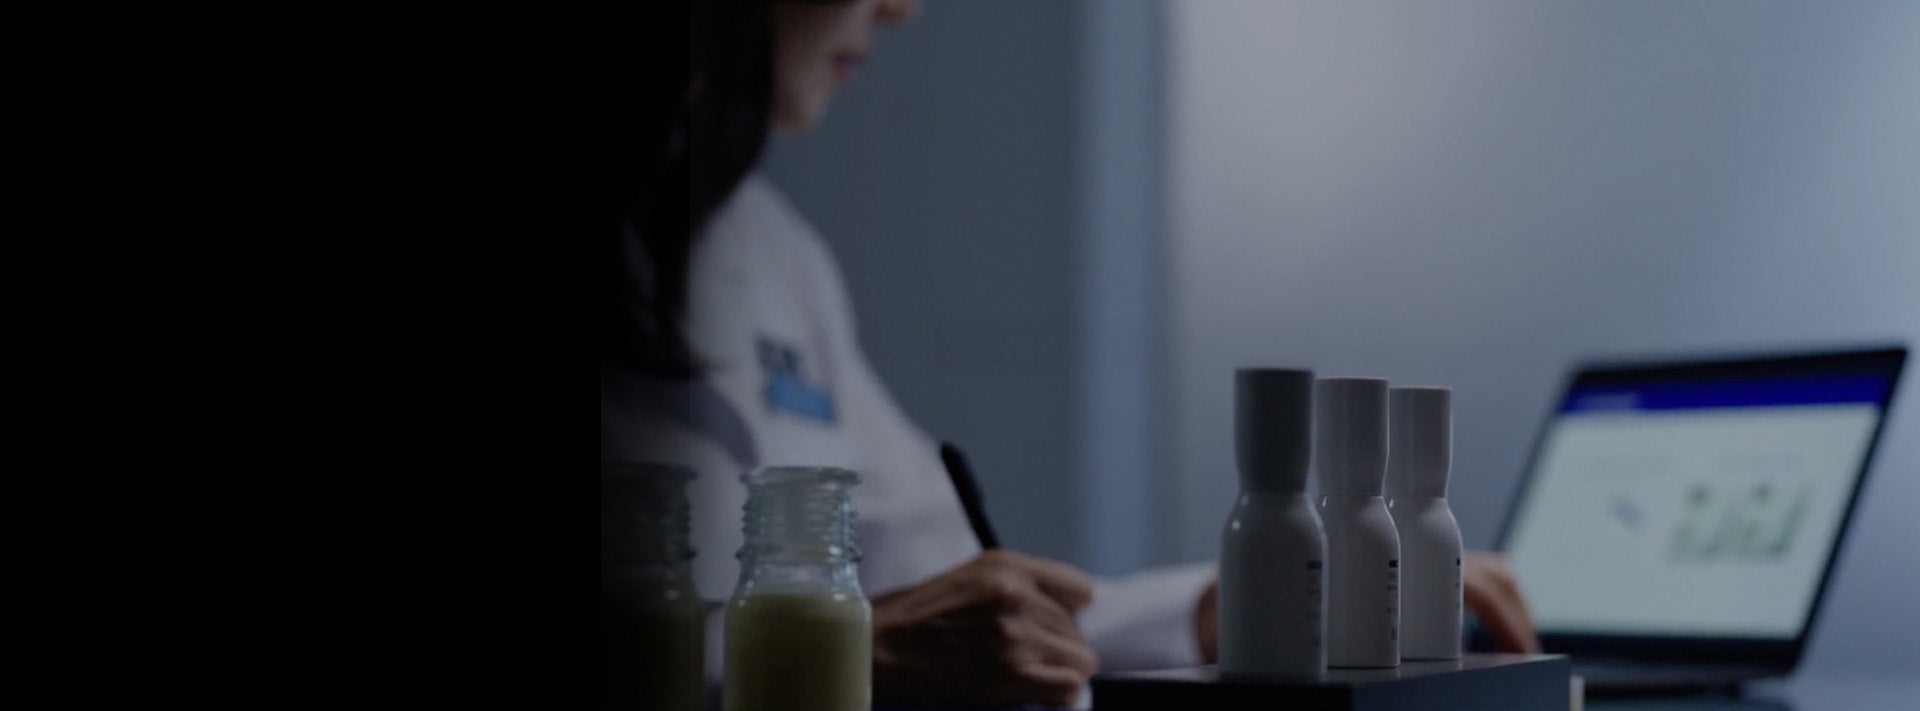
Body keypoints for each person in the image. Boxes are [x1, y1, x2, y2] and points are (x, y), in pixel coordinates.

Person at [606, 1, 1541, 707]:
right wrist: (844, 654)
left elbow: (967, 603)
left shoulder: (769, 253)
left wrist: (1222, 607)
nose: (900, 8)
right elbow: (895, 634)